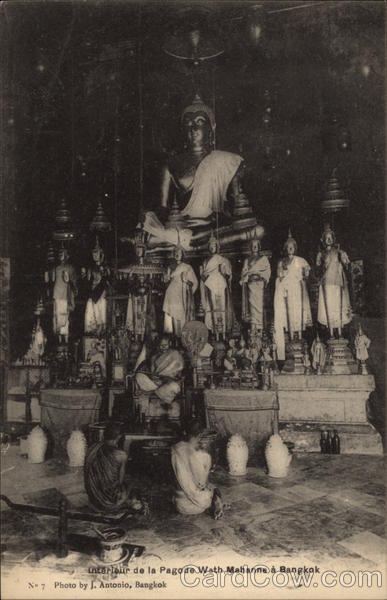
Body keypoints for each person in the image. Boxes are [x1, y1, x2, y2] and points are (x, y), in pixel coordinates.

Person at [141, 94, 253, 249]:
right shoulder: (171, 164)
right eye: (188, 123)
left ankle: (186, 242)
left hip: (213, 226)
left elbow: (237, 209)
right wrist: (147, 219)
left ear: (211, 128)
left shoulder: (229, 161)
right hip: (182, 227)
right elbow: (163, 208)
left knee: (258, 230)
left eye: (200, 122)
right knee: (145, 234)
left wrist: (223, 217)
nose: (193, 128)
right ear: (182, 129)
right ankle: (190, 241)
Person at [84, 422, 147, 514]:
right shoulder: (121, 455)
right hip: (109, 502)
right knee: (134, 483)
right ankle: (130, 503)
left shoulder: (92, 448)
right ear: (119, 437)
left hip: (94, 499)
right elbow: (120, 481)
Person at [171, 420, 223, 518]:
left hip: (178, 503)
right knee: (215, 489)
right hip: (195, 506)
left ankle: (214, 502)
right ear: (200, 435)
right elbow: (201, 483)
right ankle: (216, 503)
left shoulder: (175, 448)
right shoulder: (202, 456)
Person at [274, 230, 312, 361]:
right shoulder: (282, 262)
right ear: (286, 249)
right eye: (288, 247)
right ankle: (291, 335)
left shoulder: (300, 260)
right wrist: (281, 272)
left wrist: (305, 273)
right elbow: (279, 276)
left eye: (292, 247)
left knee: (298, 312)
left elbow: (307, 271)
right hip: (288, 290)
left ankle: (299, 336)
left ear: (295, 248)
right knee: (289, 313)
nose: (290, 249)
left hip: (297, 289)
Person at [135, 335, 185, 417]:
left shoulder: (175, 354)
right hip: (156, 383)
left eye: (165, 345)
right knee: (139, 376)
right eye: (160, 346)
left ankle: (150, 393)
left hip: (170, 383)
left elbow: (178, 373)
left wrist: (166, 378)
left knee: (173, 387)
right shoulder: (154, 357)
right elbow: (153, 372)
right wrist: (153, 377)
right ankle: (154, 392)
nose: (163, 348)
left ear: (169, 344)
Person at [316, 225, 352, 338]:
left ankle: (340, 332)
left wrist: (344, 259)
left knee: (338, 306)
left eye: (330, 237)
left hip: (337, 282)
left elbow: (347, 265)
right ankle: (331, 332)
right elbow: (317, 270)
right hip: (326, 282)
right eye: (326, 237)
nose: (329, 239)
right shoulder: (321, 254)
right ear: (323, 240)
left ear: (333, 238)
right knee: (330, 307)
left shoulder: (339, 252)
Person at [200, 232, 233, 337]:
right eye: (210, 246)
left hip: (221, 285)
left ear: (217, 247)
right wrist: (204, 276)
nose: (212, 248)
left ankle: (223, 333)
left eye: (214, 246)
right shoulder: (205, 261)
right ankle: (214, 332)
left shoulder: (223, 260)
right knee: (212, 307)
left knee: (222, 307)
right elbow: (203, 277)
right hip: (210, 285)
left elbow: (229, 275)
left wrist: (224, 272)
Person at [163, 245, 198, 338]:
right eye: (175, 252)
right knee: (173, 318)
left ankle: (183, 339)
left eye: (179, 252)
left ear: (182, 254)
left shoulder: (187, 267)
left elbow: (195, 283)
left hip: (182, 295)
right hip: (172, 295)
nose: (177, 254)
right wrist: (166, 280)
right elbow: (166, 283)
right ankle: (175, 338)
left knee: (182, 317)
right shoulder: (170, 267)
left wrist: (187, 282)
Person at [240, 236, 271, 331]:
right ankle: (253, 329)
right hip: (251, 285)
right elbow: (244, 273)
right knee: (252, 308)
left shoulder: (263, 258)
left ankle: (260, 329)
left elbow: (267, 271)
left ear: (259, 246)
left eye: (256, 245)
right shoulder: (247, 260)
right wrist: (247, 277)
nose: (254, 247)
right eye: (253, 245)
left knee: (260, 306)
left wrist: (261, 276)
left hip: (260, 285)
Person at [84, 237, 110, 335]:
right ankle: (93, 330)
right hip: (93, 291)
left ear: (101, 254)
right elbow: (88, 281)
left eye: (96, 252)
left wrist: (104, 273)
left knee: (102, 308)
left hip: (102, 291)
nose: (95, 255)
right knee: (91, 307)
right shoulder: (91, 268)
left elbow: (108, 280)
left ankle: (102, 329)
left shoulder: (105, 268)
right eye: (93, 253)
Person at [53, 247, 77, 343]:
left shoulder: (70, 268)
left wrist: (70, 283)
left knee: (65, 317)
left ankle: (66, 339)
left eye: (62, 253)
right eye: (59, 253)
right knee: (57, 317)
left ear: (67, 256)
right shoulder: (57, 268)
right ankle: (59, 339)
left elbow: (73, 281)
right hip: (57, 294)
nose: (60, 255)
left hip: (66, 295)